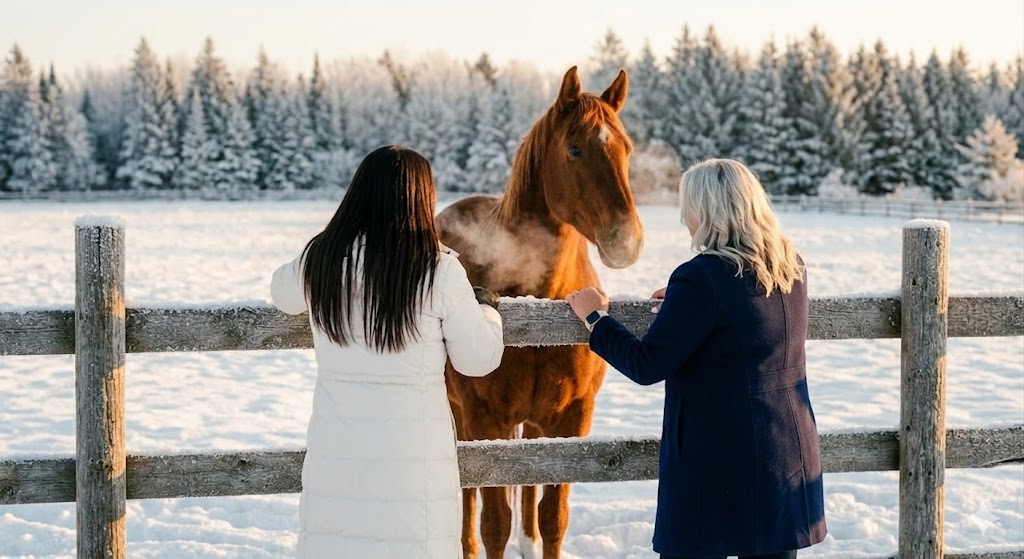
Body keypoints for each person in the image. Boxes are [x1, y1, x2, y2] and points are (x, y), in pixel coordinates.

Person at [567, 158, 827, 559]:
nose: (684, 218)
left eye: (688, 206)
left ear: (706, 211)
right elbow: (743, 320)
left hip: (718, 462)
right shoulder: (789, 267)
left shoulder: (701, 277)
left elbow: (646, 364)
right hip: (785, 454)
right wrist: (682, 306)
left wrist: (596, 318)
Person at [271, 145, 504, 559]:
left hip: (337, 455)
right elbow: (478, 359)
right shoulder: (439, 269)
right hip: (413, 466)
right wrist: (486, 308)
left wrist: (323, 246)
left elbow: (281, 292)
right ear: (421, 198)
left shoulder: (321, 259)